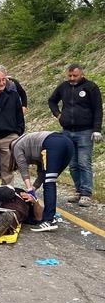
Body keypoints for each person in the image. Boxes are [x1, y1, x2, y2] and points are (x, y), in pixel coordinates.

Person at [47, 63, 102, 207]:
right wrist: (58, 115)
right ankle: (78, 190)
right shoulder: (63, 87)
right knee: (72, 164)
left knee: (84, 163)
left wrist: (97, 129)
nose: (71, 78)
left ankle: (86, 193)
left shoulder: (91, 87)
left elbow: (98, 109)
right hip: (67, 131)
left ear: (81, 74)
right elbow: (52, 101)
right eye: (69, 75)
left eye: (75, 76)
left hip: (85, 131)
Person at [9, 131, 75, 232]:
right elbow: (42, 174)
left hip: (53, 143)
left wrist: (30, 190)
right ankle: (50, 216)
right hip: (68, 144)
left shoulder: (16, 147)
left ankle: (48, 220)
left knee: (49, 183)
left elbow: (23, 169)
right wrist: (34, 188)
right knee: (49, 179)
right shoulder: (33, 148)